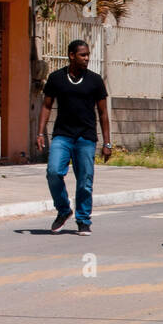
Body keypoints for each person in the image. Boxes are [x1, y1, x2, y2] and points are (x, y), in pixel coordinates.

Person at [37, 39, 111, 235]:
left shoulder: (95, 80)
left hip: (86, 137)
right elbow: (46, 106)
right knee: (53, 172)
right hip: (62, 135)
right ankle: (63, 210)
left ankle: (83, 220)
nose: (87, 58)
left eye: (87, 54)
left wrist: (107, 142)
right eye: (83, 55)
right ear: (72, 56)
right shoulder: (56, 78)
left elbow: (103, 113)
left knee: (85, 180)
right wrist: (40, 132)